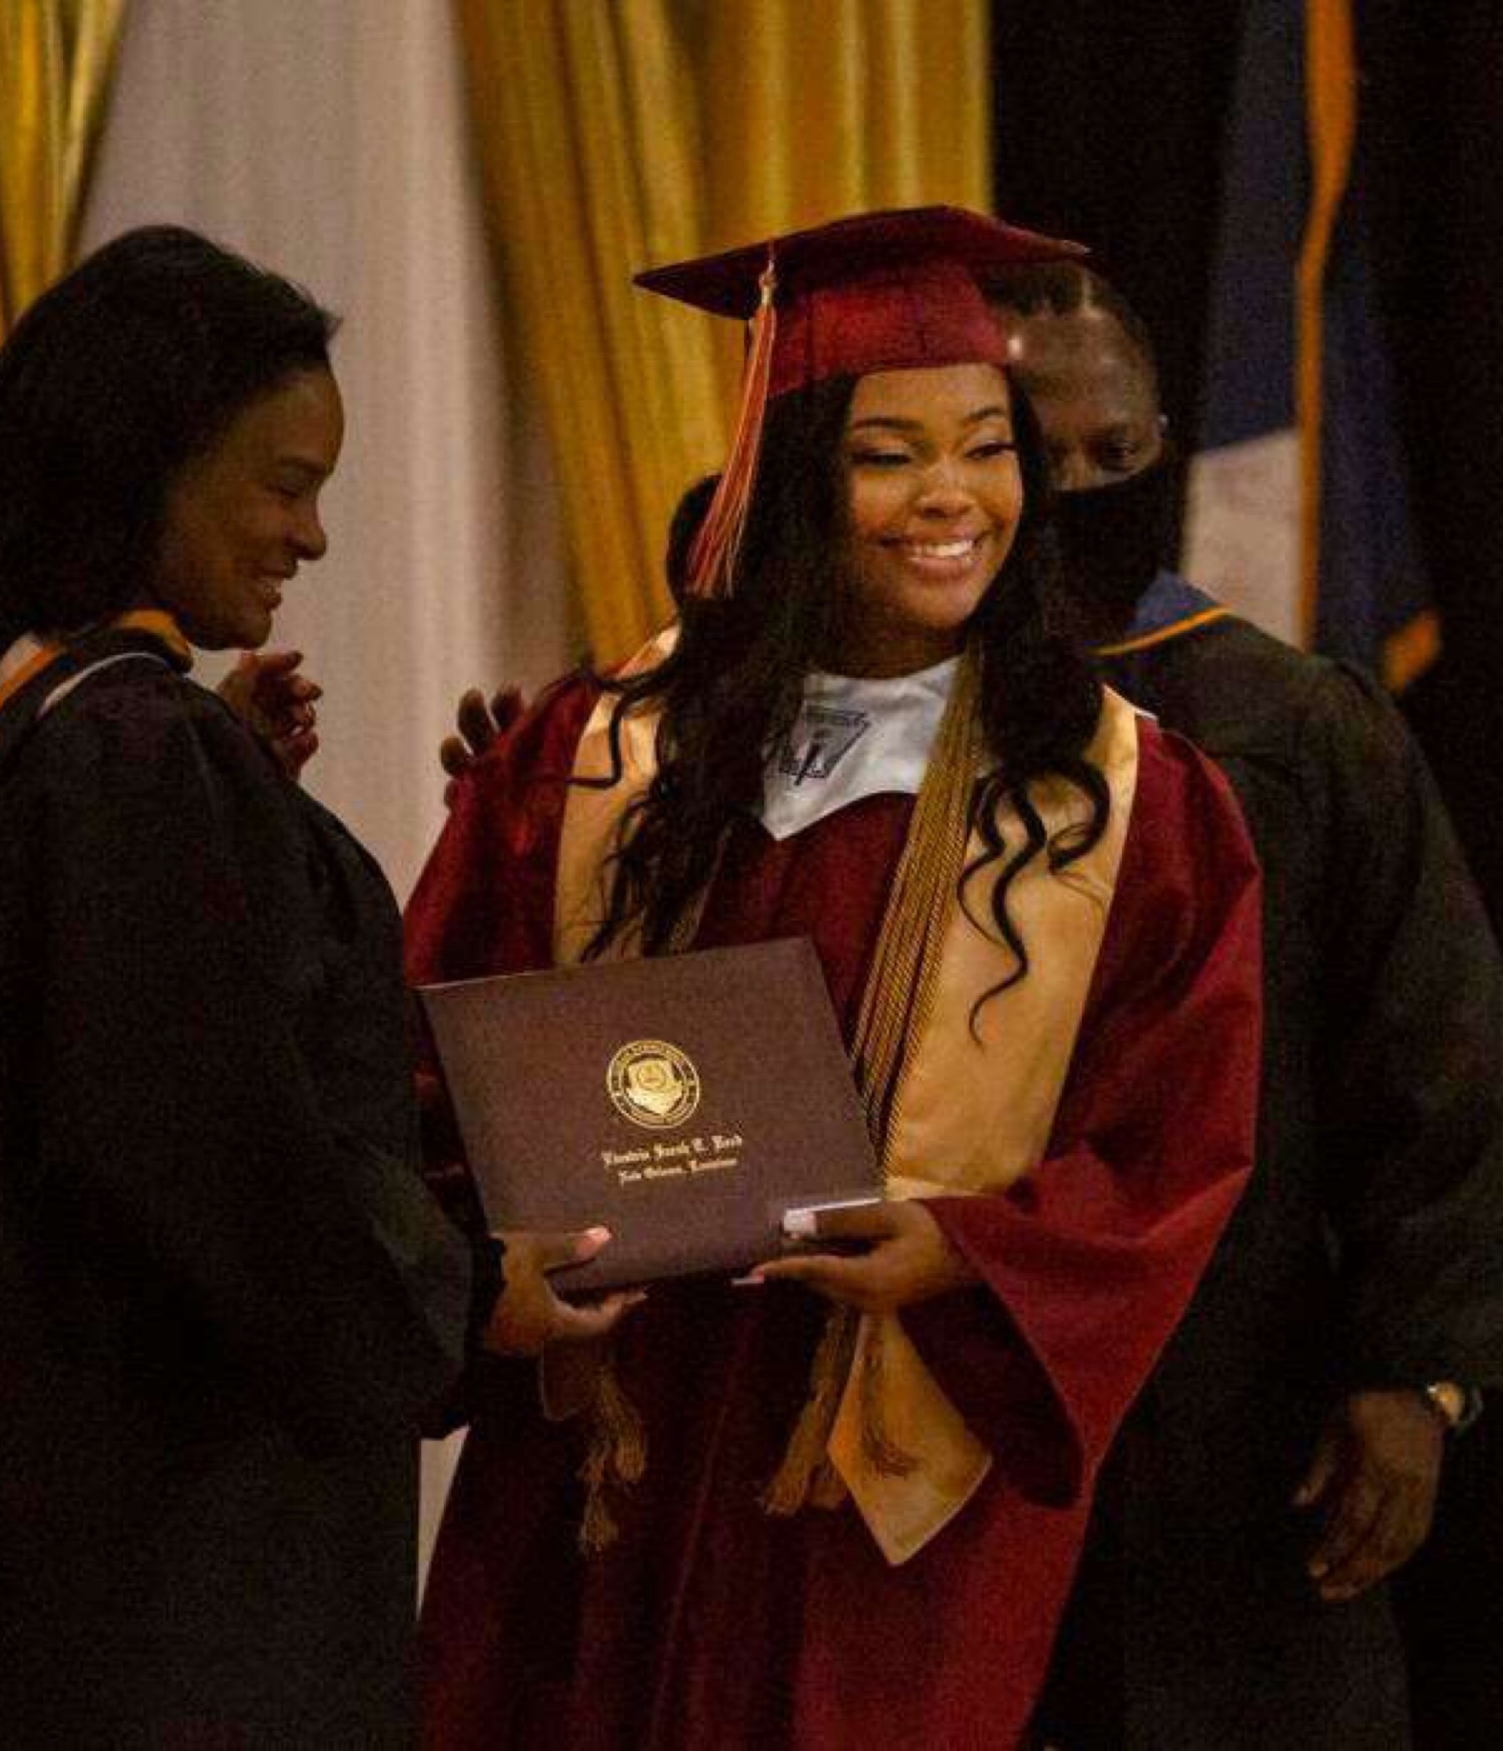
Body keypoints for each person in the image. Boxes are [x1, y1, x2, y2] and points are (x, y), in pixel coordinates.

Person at [405, 207, 1264, 1750]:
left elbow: (1177, 1138)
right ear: (795, 478)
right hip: (616, 1442)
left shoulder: (1125, 802)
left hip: (894, 1474)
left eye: (988, 447)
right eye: (889, 454)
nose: (954, 499)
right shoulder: (601, 751)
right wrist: (497, 1254)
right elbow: (430, 1053)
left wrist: (963, 1252)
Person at [0, 225, 622, 1745]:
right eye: (285, 483)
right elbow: (213, 1159)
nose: (314, 536)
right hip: (150, 1564)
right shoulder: (129, 751)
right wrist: (466, 1301)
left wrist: (239, 802)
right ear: (143, 467)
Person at [986, 259, 1503, 1747]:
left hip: (1243, 1404)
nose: (1079, 489)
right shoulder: (895, 723)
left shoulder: (1293, 725)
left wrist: (1419, 1375)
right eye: (1034, 454)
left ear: (1168, 443)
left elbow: (1437, 1058)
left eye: (1115, 454)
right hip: (974, 1387)